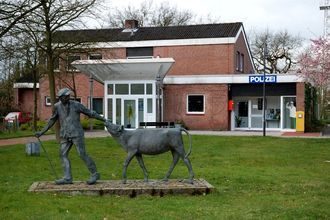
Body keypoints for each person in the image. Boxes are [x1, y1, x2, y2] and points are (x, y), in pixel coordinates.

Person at [35, 88, 106, 185]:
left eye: (69, 95)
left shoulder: (76, 105)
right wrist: (41, 132)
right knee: (63, 155)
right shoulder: (57, 107)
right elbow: (52, 120)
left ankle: (94, 174)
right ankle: (67, 178)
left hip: (76, 134)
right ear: (61, 98)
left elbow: (90, 113)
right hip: (65, 134)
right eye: (66, 96)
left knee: (82, 154)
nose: (68, 97)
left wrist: (104, 120)